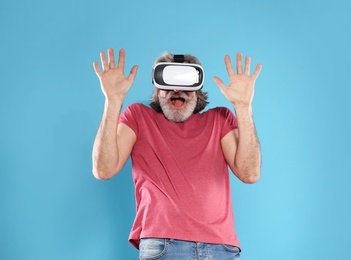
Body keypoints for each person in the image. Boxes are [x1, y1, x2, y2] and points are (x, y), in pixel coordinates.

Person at [92, 48, 262, 260]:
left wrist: (244, 107)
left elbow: (250, 173)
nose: (177, 90)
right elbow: (103, 169)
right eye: (168, 83)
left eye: (185, 83)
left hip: (221, 248)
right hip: (164, 245)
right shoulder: (138, 117)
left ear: (198, 89)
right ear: (157, 88)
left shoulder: (220, 120)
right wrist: (113, 101)